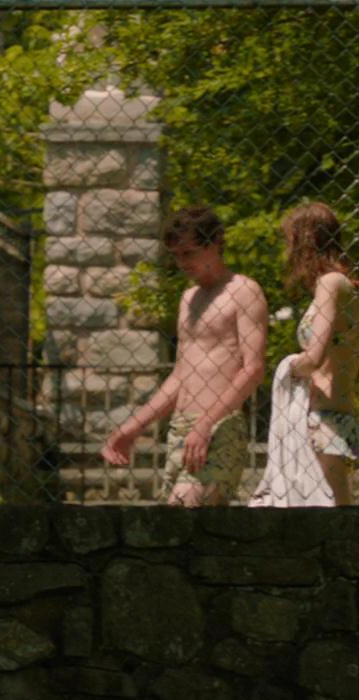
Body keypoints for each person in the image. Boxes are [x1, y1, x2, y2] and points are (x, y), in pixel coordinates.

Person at [102, 206, 267, 505]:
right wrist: (133, 428)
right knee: (183, 523)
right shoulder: (188, 299)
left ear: (215, 242)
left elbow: (253, 369)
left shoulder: (244, 291)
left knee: (184, 509)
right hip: (180, 428)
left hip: (219, 425)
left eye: (189, 253)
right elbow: (180, 376)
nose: (182, 263)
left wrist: (205, 424)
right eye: (176, 255)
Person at [279, 201, 359, 506]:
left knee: (330, 514)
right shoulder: (339, 285)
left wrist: (287, 368)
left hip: (326, 419)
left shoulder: (330, 284)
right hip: (329, 414)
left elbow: (314, 356)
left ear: (304, 242)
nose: (288, 252)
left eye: (290, 242)